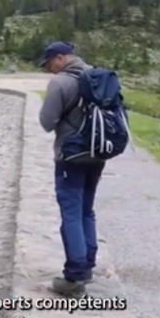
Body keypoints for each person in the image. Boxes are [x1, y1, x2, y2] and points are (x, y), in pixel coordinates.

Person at [38, 40, 105, 296]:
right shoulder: (96, 74)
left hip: (70, 156)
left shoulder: (60, 83)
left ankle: (74, 277)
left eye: (48, 64)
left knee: (71, 212)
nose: (49, 70)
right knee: (87, 210)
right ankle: (87, 266)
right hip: (97, 154)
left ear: (60, 58)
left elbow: (46, 122)